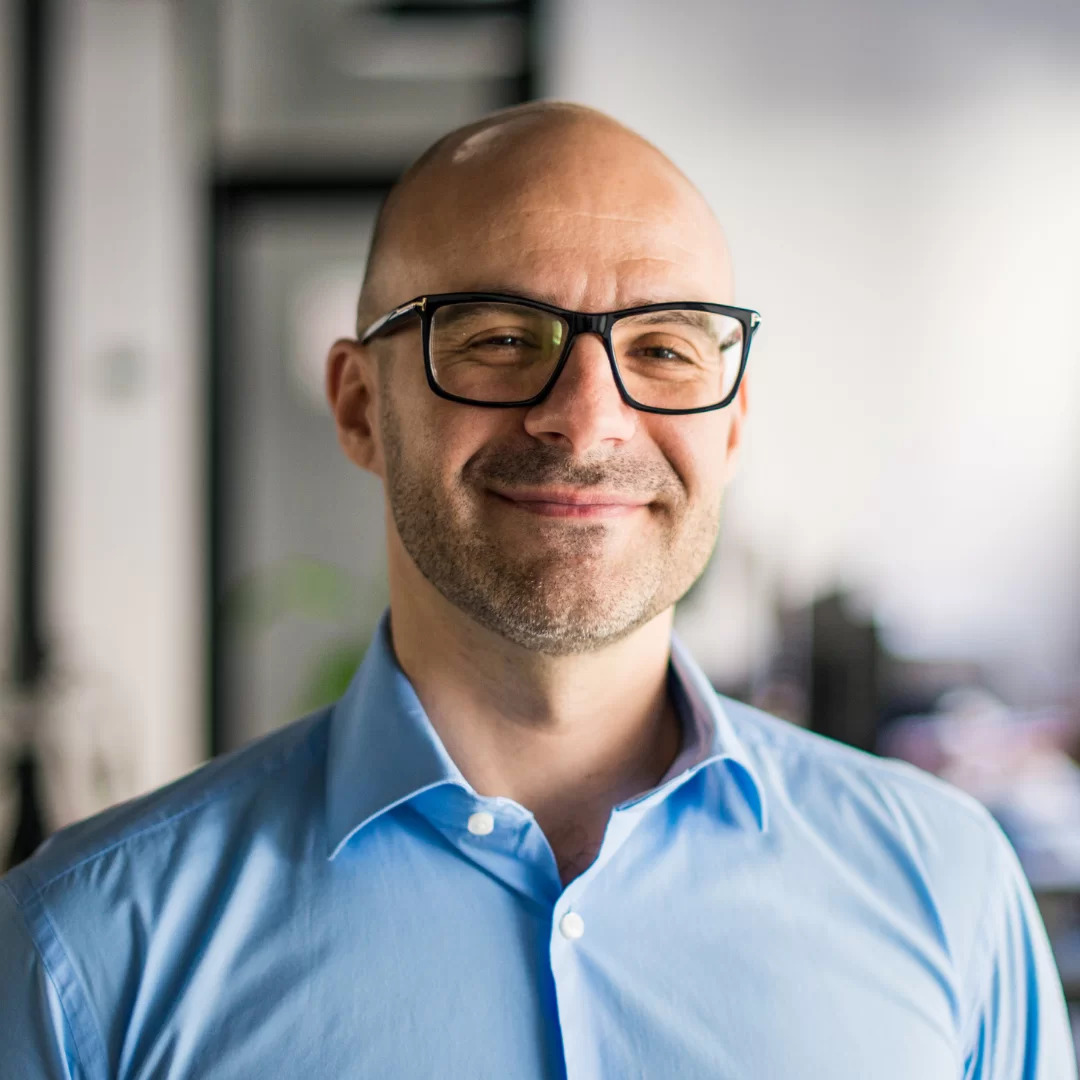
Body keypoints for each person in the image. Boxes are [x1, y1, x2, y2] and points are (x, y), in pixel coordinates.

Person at [0, 102, 1074, 1080]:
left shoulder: (949, 887)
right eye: (504, 339)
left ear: (732, 424)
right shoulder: (88, 956)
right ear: (359, 406)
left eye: (662, 348)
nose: (589, 418)